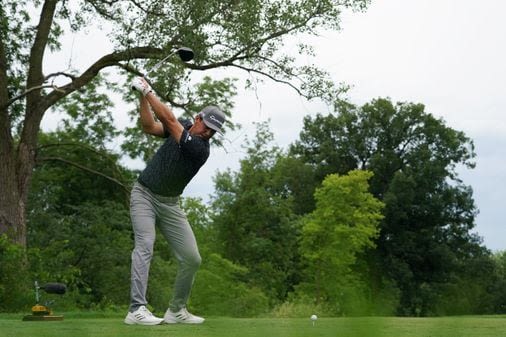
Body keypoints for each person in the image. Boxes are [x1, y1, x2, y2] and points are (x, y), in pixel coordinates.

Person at [124, 77, 226, 325]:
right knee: (145, 246)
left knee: (192, 258)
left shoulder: (201, 149)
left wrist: (147, 90)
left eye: (214, 131)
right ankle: (136, 309)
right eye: (207, 126)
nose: (209, 133)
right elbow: (150, 127)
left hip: (171, 204)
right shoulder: (183, 125)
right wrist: (142, 98)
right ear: (198, 118)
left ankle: (176, 310)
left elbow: (169, 120)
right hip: (144, 195)